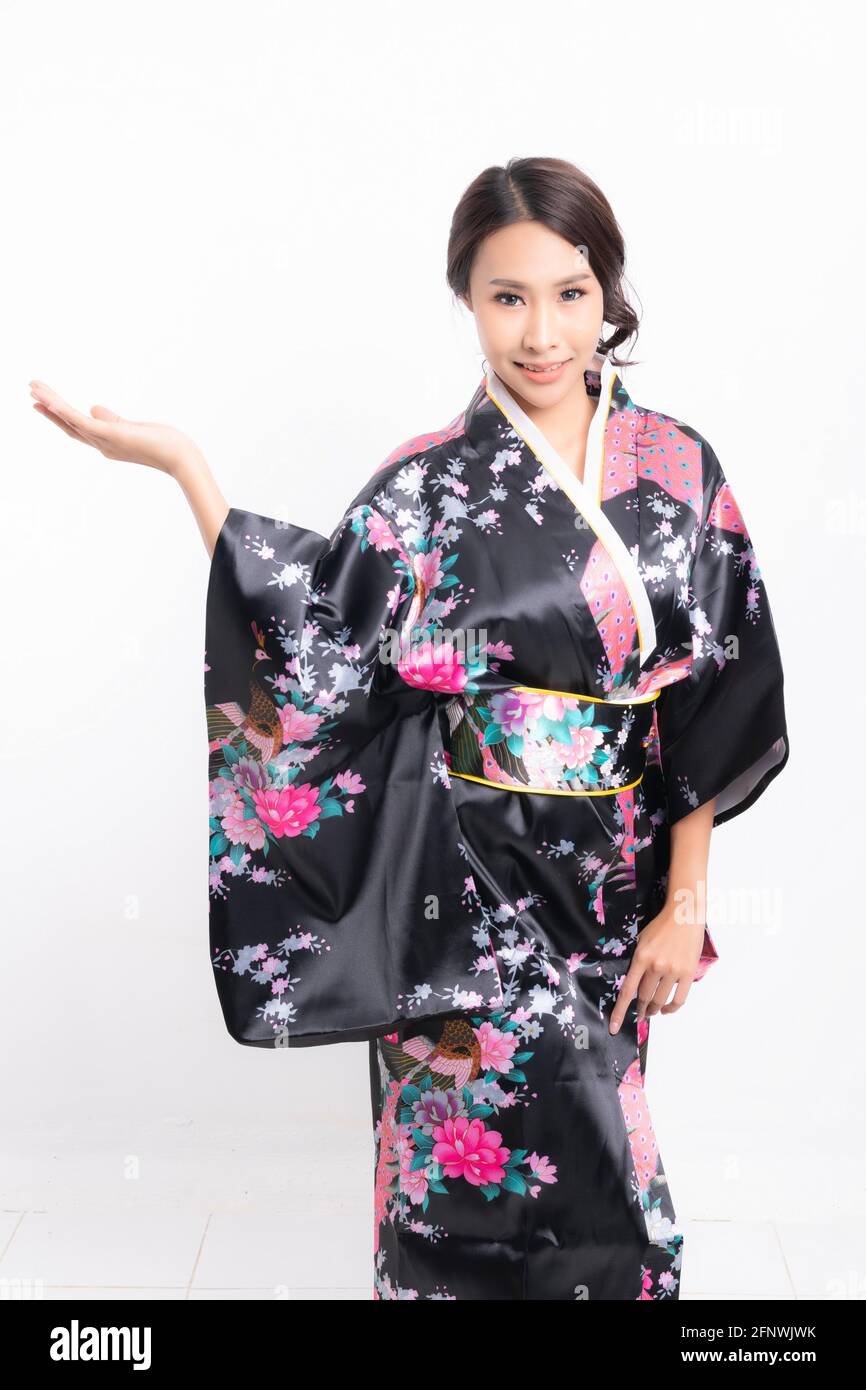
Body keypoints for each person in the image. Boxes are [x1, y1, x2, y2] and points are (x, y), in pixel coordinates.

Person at [29, 155, 789, 1301]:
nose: (540, 332)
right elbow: (311, 636)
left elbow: (710, 705)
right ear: (467, 300)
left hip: (607, 880)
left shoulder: (676, 469)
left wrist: (682, 904)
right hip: (456, 881)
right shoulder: (427, 484)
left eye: (569, 293)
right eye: (506, 296)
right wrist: (186, 466)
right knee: (446, 1171)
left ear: (607, 294)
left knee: (602, 1173)